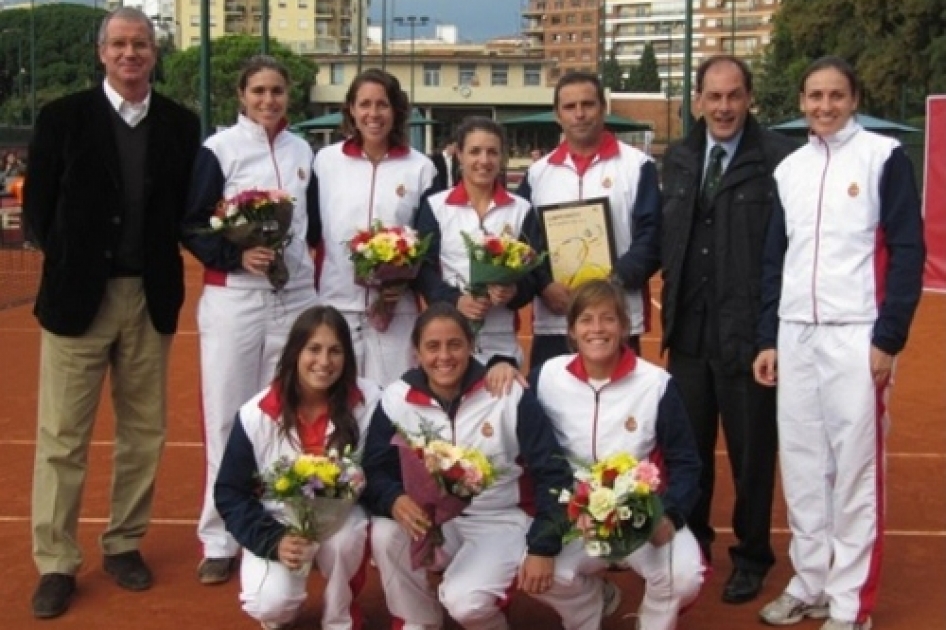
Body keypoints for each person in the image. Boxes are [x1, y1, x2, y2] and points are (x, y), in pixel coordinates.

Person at [23, 7, 200, 619]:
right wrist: (77, 264)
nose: (131, 53)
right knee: (61, 439)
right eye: (120, 44)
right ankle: (55, 561)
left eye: (141, 44)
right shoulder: (61, 118)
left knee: (143, 435)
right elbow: (38, 213)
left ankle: (124, 544)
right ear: (101, 52)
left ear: (154, 54)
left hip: (148, 299)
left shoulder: (181, 123)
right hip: (78, 302)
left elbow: (183, 211)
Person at [754, 56, 925, 630]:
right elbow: (775, 260)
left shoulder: (884, 158)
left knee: (853, 471)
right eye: (814, 96)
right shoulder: (790, 169)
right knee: (802, 466)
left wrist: (889, 336)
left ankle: (852, 605)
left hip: (857, 333)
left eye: (836, 96)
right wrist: (768, 336)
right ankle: (811, 581)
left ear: (854, 99)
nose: (824, 106)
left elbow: (908, 249)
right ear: (801, 101)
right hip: (795, 333)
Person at [658, 55, 797, 604]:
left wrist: (770, 335)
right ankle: (694, 542)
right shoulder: (680, 158)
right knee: (688, 451)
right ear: (697, 100)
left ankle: (753, 554)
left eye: (733, 96)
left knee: (752, 454)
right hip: (688, 335)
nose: (723, 107)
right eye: (713, 96)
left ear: (748, 98)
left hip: (748, 336)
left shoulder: (779, 161)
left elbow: (785, 254)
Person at [181, 54, 320, 585]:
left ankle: (280, 527)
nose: (268, 100)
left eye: (277, 91)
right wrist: (235, 256)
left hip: (295, 297)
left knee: (285, 413)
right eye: (258, 91)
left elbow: (312, 228)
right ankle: (219, 537)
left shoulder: (302, 150)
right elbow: (193, 224)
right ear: (241, 95)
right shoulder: (218, 150)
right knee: (226, 416)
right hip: (235, 297)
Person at [361, 303, 578, 630]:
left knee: (465, 604)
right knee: (386, 531)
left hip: (499, 520)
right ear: (416, 352)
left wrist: (543, 544)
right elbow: (375, 469)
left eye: (455, 344)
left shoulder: (506, 392)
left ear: (472, 346)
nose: (444, 356)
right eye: (432, 346)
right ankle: (419, 619)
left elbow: (553, 472)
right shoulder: (396, 398)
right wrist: (393, 499)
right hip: (436, 521)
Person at [529, 279, 704, 630]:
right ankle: (588, 609)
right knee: (542, 573)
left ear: (624, 327)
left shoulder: (655, 383)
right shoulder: (547, 377)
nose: (597, 329)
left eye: (608, 319)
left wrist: (666, 515)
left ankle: (652, 623)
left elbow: (686, 463)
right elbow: (528, 448)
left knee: (683, 576)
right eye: (586, 320)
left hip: (640, 517)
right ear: (572, 331)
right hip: (576, 518)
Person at [215, 305, 382, 630]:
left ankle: (340, 618)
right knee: (268, 605)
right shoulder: (256, 415)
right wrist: (274, 540)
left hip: (341, 519)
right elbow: (230, 493)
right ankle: (279, 610)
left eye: (335, 351)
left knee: (346, 537)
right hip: (277, 519)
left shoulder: (371, 402)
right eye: (314, 349)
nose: (324, 361)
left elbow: (383, 470)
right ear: (294, 352)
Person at [518, 71, 661, 369]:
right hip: (554, 321)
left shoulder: (638, 166)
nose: (580, 114)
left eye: (588, 104)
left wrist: (614, 282)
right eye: (570, 107)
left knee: (619, 410)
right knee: (550, 409)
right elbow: (522, 243)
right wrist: (544, 285)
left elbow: (653, 235)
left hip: (616, 320)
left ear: (603, 108)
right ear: (558, 115)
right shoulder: (537, 174)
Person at [313, 68, 436, 386]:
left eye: (382, 104)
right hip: (336, 304)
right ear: (351, 110)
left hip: (398, 312)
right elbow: (311, 232)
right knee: (337, 404)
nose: (373, 114)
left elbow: (429, 244)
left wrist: (402, 283)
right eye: (364, 104)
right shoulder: (325, 162)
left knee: (393, 403)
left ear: (396, 110)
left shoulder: (421, 168)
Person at [414, 116, 534, 368]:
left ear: (502, 157)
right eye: (475, 151)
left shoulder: (521, 209)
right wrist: (455, 300)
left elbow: (534, 274)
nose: (484, 160)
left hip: (501, 342)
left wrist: (512, 292)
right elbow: (423, 269)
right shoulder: (436, 206)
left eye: (492, 152)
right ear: (459, 154)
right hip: (449, 339)